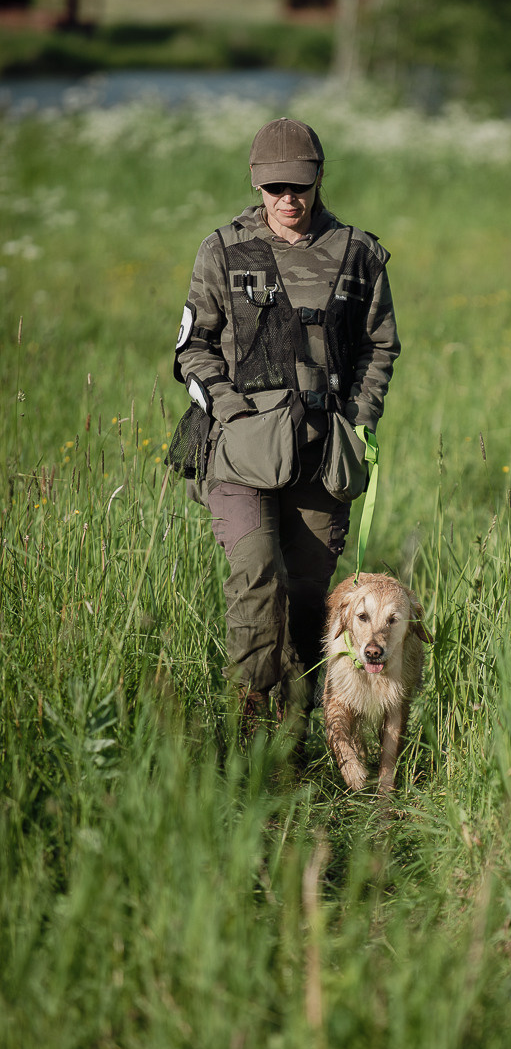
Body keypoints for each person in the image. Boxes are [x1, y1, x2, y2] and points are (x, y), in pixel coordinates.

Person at [169, 117, 400, 740]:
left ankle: (300, 728)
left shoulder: (360, 254)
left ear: (319, 179)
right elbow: (190, 351)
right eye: (274, 187)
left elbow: (380, 349)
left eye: (298, 185)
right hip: (238, 453)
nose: (287, 199)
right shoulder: (222, 249)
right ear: (256, 183)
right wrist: (231, 412)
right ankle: (249, 727)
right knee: (254, 580)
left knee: (307, 598)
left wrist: (358, 419)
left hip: (323, 452)